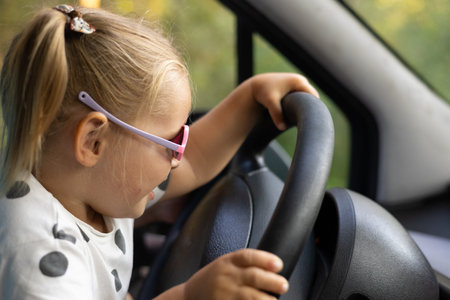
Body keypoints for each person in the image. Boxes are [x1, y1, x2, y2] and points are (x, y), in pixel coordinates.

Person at [0, 4, 319, 300]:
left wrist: (251, 96)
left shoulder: (94, 185)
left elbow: (196, 158)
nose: (179, 157)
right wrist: (189, 295)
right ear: (93, 142)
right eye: (171, 143)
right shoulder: (41, 261)